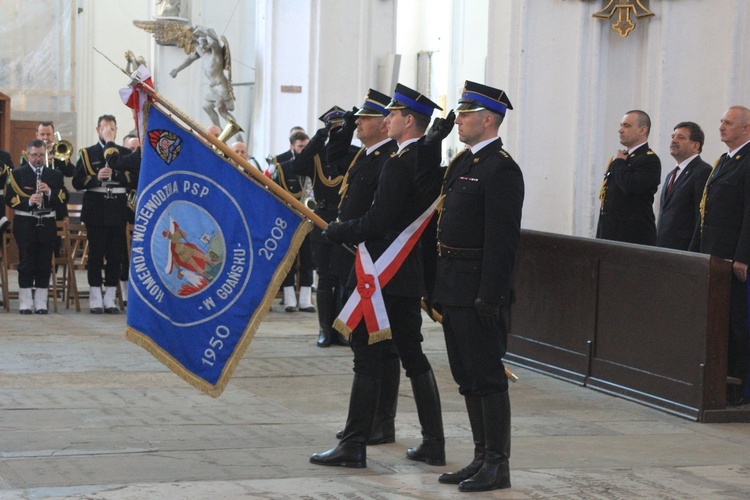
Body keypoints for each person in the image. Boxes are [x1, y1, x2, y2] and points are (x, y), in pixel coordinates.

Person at [313, 83, 445, 469]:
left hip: (381, 275)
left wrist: (338, 230)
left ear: (409, 121)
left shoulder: (399, 163)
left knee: (366, 358)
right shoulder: (424, 161)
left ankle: (354, 444)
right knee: (412, 355)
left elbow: (380, 220)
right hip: (406, 275)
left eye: (392, 114)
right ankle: (433, 443)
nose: (385, 119)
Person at [414, 81, 523, 492]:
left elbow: (503, 241)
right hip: (452, 286)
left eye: (464, 114)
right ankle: (481, 457)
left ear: (488, 119)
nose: (457, 120)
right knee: (466, 377)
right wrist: (430, 142)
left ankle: (498, 463)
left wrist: (491, 296)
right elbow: (424, 185)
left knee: (487, 376)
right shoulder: (463, 163)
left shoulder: (502, 169)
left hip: (479, 288)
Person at [326, 89, 400, 441]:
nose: (358, 122)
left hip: (374, 262)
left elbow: (378, 216)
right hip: (354, 260)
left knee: (376, 346)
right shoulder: (366, 157)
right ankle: (373, 423)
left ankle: (378, 423)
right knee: (369, 346)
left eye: (365, 118)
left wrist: (344, 229)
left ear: (385, 124)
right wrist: (344, 125)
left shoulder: (388, 159)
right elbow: (334, 156)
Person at [690, 105, 750, 406]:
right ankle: (719, 383)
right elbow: (706, 211)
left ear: (746, 128)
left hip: (733, 259)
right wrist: (694, 253)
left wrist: (743, 256)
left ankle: (739, 387)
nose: (721, 127)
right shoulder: (725, 161)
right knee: (717, 322)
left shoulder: (747, 161)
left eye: (728, 123)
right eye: (721, 121)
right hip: (713, 256)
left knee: (736, 324)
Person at [290, 106, 354, 346]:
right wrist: (319, 137)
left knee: (344, 278)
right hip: (322, 219)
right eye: (332, 127)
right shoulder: (316, 155)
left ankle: (342, 329)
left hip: (346, 219)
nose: (337, 132)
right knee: (325, 278)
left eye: (340, 126)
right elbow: (297, 167)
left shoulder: (353, 153)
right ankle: (325, 329)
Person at [73, 115, 139, 314]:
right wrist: (95, 178)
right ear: (98, 130)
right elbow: (77, 181)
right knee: (95, 254)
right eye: (105, 128)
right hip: (95, 209)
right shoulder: (87, 153)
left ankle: (110, 297)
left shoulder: (125, 153)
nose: (108, 131)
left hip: (117, 209)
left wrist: (116, 175)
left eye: (112, 128)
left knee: (115, 255)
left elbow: (134, 179)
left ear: (117, 130)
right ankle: (95, 295)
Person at [5, 139, 65, 314]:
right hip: (25, 222)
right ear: (27, 154)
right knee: (27, 261)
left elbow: (64, 197)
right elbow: (9, 198)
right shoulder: (17, 174)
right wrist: (28, 201)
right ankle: (25, 302)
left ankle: (41, 302)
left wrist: (49, 192)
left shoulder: (54, 174)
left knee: (44, 262)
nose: (38, 159)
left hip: (47, 222)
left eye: (41, 155)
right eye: (34, 155)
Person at [596, 110, 661, 245]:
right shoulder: (622, 157)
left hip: (633, 237)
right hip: (610, 234)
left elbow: (630, 186)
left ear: (642, 130)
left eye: (627, 126)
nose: (620, 130)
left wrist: (619, 163)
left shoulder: (649, 159)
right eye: (621, 125)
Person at [271, 131, 316, 313]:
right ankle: (289, 299)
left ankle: (305, 300)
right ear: (292, 147)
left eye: (306, 146)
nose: (303, 150)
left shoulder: (315, 167)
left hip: (308, 220)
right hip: (288, 219)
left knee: (308, 260)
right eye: (300, 147)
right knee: (288, 258)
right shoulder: (282, 168)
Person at [655, 122, 711, 250]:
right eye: (673, 136)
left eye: (681, 137)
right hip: (663, 247)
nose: (674, 140)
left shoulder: (703, 171)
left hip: (684, 249)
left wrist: (693, 251)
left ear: (695, 146)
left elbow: (700, 217)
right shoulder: (671, 175)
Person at [170, 27, 235, 128]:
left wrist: (201, 30)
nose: (203, 47)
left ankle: (236, 134)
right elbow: (190, 58)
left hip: (221, 87)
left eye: (205, 44)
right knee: (206, 107)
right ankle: (219, 133)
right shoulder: (205, 55)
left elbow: (213, 38)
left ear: (208, 43)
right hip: (213, 88)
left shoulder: (216, 54)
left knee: (223, 112)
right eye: (201, 45)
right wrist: (177, 69)